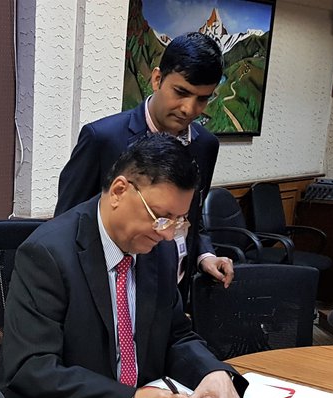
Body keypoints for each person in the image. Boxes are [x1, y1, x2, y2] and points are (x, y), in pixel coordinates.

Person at [0, 133, 269, 398]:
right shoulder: (47, 254)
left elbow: (176, 335)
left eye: (179, 221)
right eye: (162, 217)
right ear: (119, 191)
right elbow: (32, 368)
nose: (168, 234)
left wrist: (212, 371)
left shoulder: (158, 249)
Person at [55, 32, 234, 296]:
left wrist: (205, 254)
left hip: (171, 294)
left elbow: (191, 216)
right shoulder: (103, 138)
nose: (189, 108)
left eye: (202, 98)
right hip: (109, 292)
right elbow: (67, 224)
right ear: (157, 79)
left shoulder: (206, 145)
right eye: (181, 92)